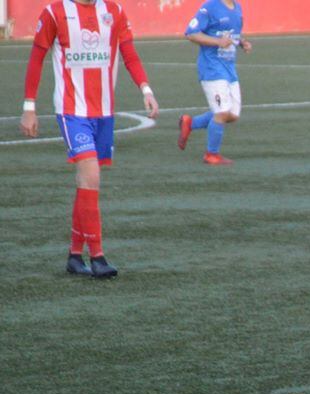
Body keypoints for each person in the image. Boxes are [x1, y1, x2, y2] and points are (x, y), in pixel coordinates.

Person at [20, 0, 159, 278]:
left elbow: (129, 53)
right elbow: (36, 58)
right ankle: (97, 257)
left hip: (104, 112)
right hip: (72, 111)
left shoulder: (114, 11)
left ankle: (74, 255)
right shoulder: (55, 12)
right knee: (91, 175)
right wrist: (29, 107)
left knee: (86, 182)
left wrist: (146, 89)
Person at [177, 0, 251, 166]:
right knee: (222, 113)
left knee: (233, 115)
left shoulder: (237, 7)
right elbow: (191, 33)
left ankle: (191, 123)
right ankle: (211, 154)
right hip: (211, 68)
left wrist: (241, 43)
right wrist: (218, 42)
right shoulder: (210, 7)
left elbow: (232, 34)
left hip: (229, 69)